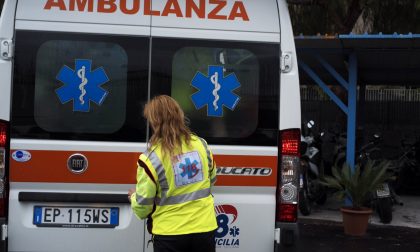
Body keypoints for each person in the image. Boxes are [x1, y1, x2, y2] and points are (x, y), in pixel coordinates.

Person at [128, 95, 217, 252]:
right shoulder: (202, 145)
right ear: (179, 115)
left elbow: (143, 208)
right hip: (204, 230)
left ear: (154, 121)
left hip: (170, 234)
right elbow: (212, 179)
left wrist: (133, 197)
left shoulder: (150, 159)